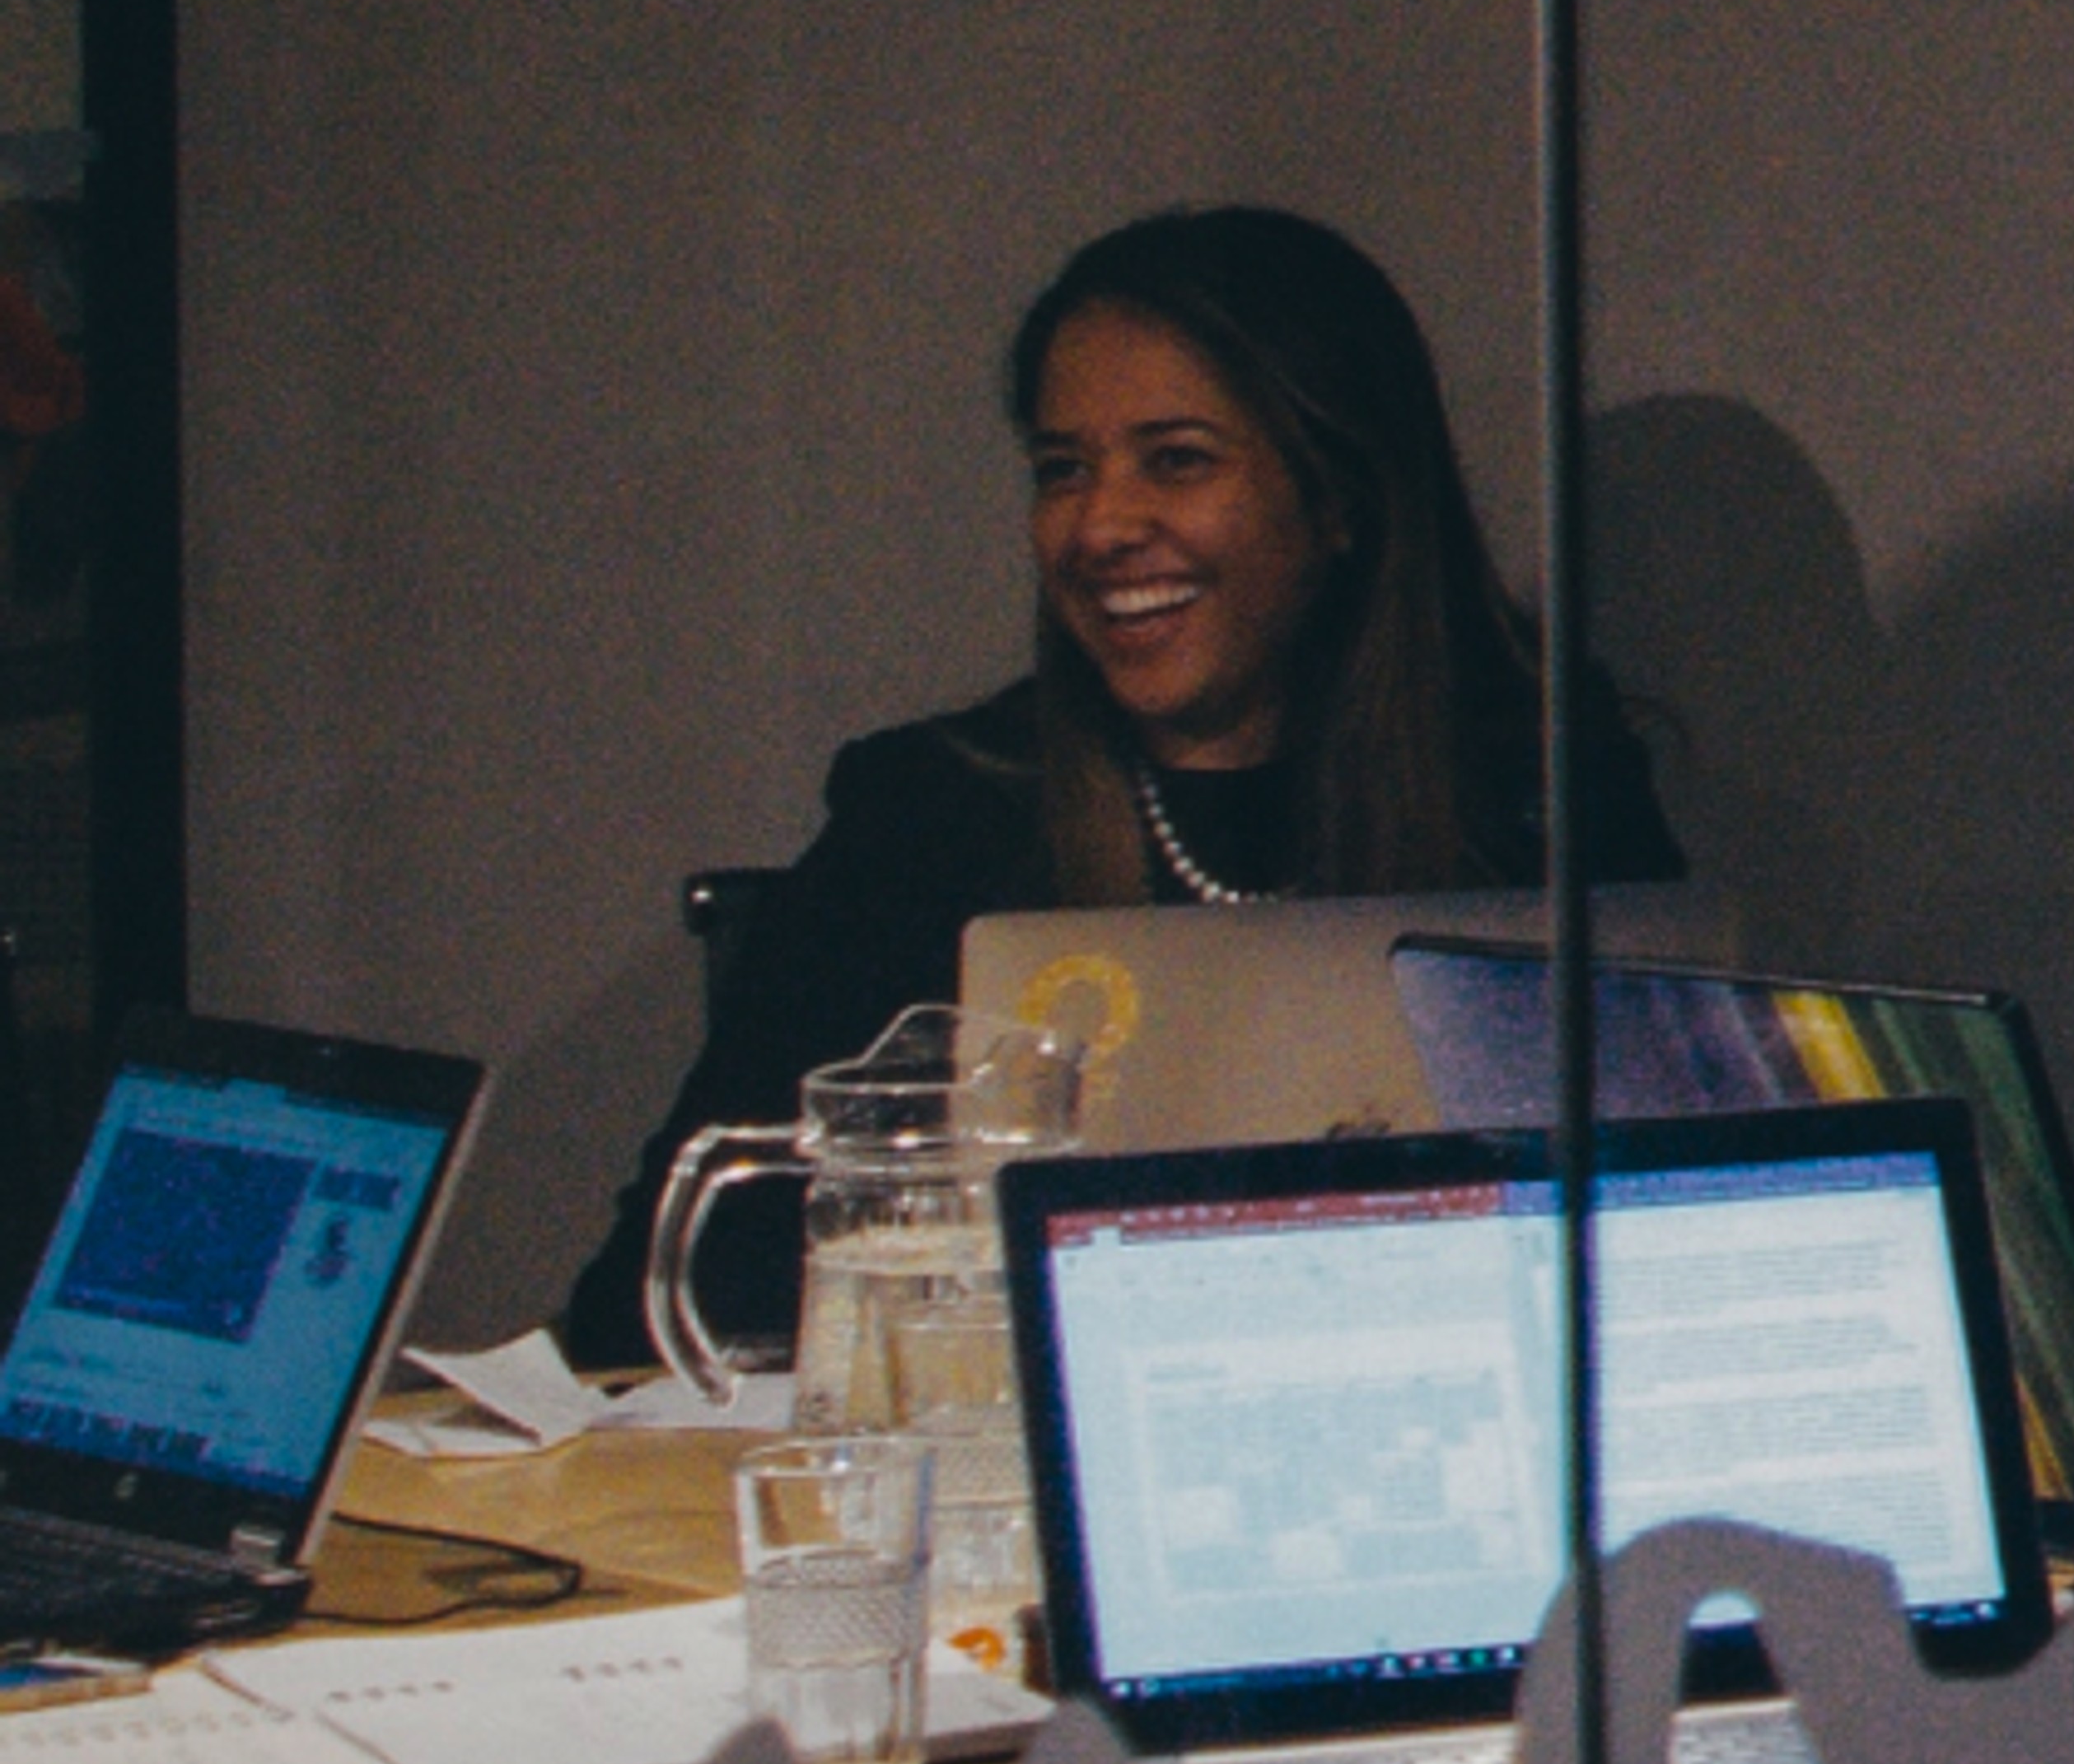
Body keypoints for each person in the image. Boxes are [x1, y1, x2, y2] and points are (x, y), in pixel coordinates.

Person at [563, 200, 1679, 1361]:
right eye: (1064, 471)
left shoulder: (1539, 793)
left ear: (1340, 495)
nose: (1100, 526)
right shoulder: (936, 815)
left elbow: (1682, 1256)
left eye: (1177, 461)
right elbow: (653, 1308)